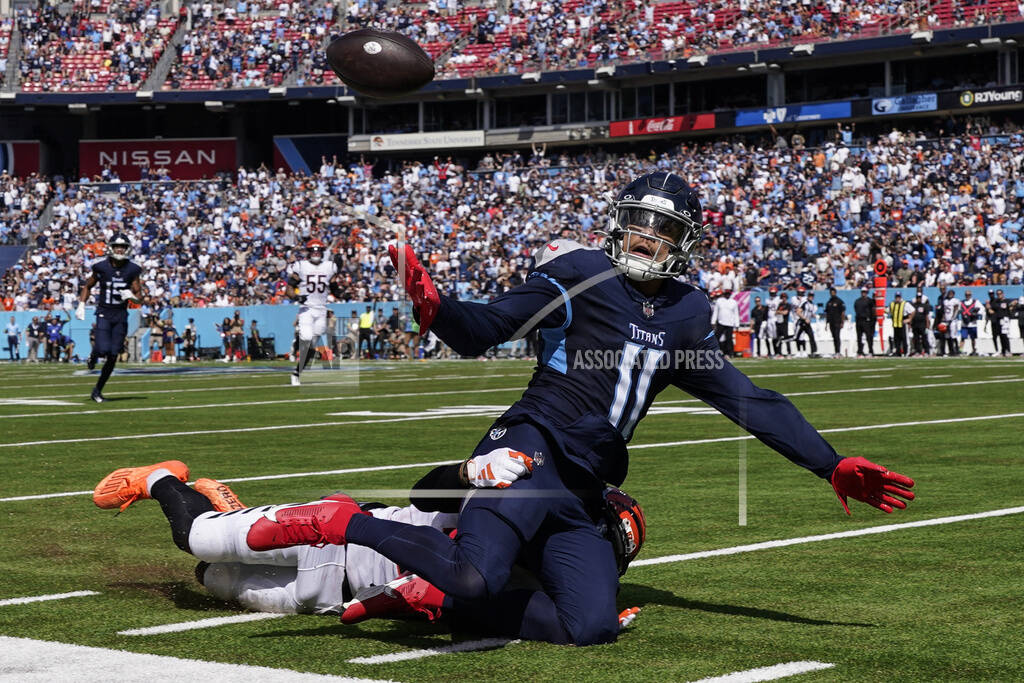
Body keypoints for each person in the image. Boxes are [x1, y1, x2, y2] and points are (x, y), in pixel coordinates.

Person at [238, 172, 916, 646]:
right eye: (638, 224)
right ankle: (345, 519)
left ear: (684, 242)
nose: (645, 237)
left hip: (584, 487)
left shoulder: (685, 313)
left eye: (661, 229)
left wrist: (828, 461)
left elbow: (747, 398)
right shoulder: (579, 271)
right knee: (476, 572)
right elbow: (484, 328)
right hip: (528, 451)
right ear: (618, 224)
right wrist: (435, 306)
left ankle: (433, 597)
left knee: (587, 625)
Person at [91, 458, 646, 624]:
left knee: (210, 581)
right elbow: (427, 495)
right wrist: (468, 472)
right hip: (329, 539)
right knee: (198, 542)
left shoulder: (543, 582)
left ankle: (229, 505)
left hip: (330, 596)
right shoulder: (511, 514)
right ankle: (162, 478)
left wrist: (591, 619)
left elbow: (534, 616)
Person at [77, 233, 146, 401]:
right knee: (102, 349)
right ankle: (94, 355)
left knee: (113, 355)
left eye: (122, 247)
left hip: (121, 315)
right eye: (117, 246)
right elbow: (88, 285)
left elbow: (140, 297)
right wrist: (81, 304)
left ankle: (97, 390)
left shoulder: (132, 269)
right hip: (104, 312)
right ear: (111, 248)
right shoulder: (101, 266)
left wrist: (131, 296)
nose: (120, 249)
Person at [287, 238, 341, 385]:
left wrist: (342, 293)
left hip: (322, 310)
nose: (316, 253)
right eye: (313, 250)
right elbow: (289, 288)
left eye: (318, 250)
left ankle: (297, 372)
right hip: (307, 310)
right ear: (309, 252)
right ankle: (295, 356)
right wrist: (297, 297)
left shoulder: (329, 267)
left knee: (312, 346)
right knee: (307, 337)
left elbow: (335, 288)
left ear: (322, 252)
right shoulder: (301, 266)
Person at [710, 290, 738, 357]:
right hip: (721, 322)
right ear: (724, 294)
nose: (727, 295)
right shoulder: (719, 301)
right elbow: (716, 312)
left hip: (730, 323)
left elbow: (736, 313)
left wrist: (737, 324)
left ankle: (730, 353)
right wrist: (713, 322)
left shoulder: (733, 302)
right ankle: (716, 351)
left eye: (728, 294)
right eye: (726, 293)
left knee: (729, 339)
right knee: (716, 337)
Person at [792, 286, 817, 357]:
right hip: (801, 322)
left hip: (807, 323)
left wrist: (813, 316)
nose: (811, 297)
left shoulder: (812, 304)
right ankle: (798, 351)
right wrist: (805, 318)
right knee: (797, 337)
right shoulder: (804, 303)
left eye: (812, 296)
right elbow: (798, 312)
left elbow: (810, 313)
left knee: (811, 337)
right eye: (810, 296)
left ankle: (813, 352)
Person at [886, 292, 913, 357]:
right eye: (896, 297)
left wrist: (909, 319)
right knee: (896, 340)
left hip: (903, 324)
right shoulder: (892, 304)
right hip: (895, 324)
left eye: (899, 297)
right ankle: (898, 353)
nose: (897, 298)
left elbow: (912, 311)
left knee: (904, 339)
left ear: (900, 297)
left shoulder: (905, 304)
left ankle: (906, 352)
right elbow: (887, 311)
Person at [824, 287, 846, 357]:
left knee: (837, 336)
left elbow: (843, 312)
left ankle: (838, 351)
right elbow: (827, 313)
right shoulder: (829, 302)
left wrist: (842, 322)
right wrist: (826, 323)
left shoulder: (839, 301)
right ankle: (835, 351)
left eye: (833, 292)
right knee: (834, 337)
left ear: (835, 293)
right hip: (831, 322)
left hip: (837, 321)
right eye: (831, 293)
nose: (832, 294)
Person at [853, 286, 875, 356]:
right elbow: (856, 309)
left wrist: (872, 321)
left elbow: (873, 311)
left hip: (867, 321)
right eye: (862, 292)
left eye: (865, 292)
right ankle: (860, 351)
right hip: (859, 320)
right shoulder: (857, 301)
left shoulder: (869, 301)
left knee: (869, 337)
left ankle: (870, 351)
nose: (863, 293)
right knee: (859, 337)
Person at [909, 290, 932, 356]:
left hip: (922, 325)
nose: (918, 299)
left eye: (919, 297)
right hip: (915, 324)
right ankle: (918, 351)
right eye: (917, 297)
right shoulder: (913, 306)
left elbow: (926, 316)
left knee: (924, 338)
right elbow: (911, 315)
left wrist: (927, 326)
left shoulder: (924, 306)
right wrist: (910, 324)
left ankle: (926, 351)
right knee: (916, 339)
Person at [959, 290, 981, 355]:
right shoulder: (961, 302)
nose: (967, 296)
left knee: (973, 338)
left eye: (969, 294)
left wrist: (976, 313)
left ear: (971, 295)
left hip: (972, 323)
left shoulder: (975, 302)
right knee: (963, 338)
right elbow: (959, 310)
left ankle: (974, 350)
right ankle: (960, 350)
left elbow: (981, 309)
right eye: (966, 294)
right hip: (964, 323)